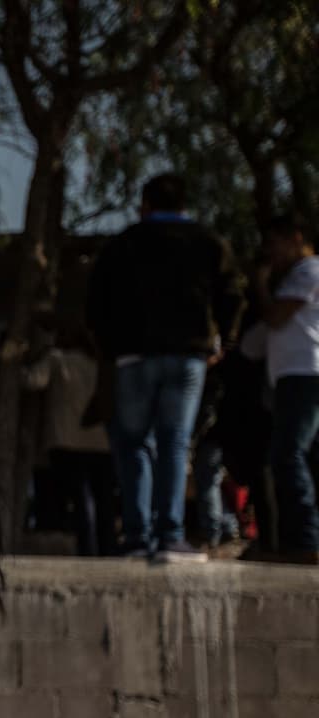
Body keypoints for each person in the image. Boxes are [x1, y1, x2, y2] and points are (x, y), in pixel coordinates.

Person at [86, 173, 245, 563]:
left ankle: (137, 535)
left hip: (133, 355)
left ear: (145, 204)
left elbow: (96, 301)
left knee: (134, 443)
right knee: (175, 441)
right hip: (188, 353)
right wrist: (222, 340)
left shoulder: (123, 243)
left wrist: (109, 346)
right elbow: (232, 293)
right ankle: (170, 535)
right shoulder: (207, 242)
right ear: (184, 204)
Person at [255, 213, 319, 564]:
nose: (271, 253)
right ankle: (305, 539)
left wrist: (261, 285)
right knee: (303, 455)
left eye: (275, 244)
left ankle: (304, 540)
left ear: (296, 237)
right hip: (296, 374)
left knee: (287, 454)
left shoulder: (308, 271)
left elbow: (276, 317)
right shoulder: (301, 274)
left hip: (303, 373)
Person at [22, 324, 116, 556]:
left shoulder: (56, 360)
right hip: (101, 442)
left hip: (66, 440)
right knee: (103, 500)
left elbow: (32, 380)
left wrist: (19, 363)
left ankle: (88, 550)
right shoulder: (98, 364)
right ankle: (108, 549)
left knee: (81, 500)